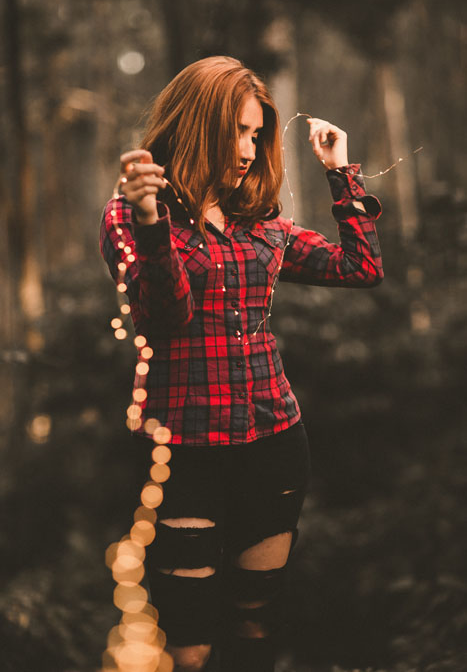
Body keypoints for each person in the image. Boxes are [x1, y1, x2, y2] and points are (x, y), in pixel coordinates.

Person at [100, 55, 383, 672]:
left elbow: (362, 268)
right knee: (190, 641)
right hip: (186, 452)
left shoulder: (259, 222)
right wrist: (151, 224)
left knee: (256, 625)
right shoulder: (130, 216)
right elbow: (166, 316)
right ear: (199, 123)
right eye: (238, 130)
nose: (251, 147)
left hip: (274, 443)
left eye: (257, 132)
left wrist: (340, 173)